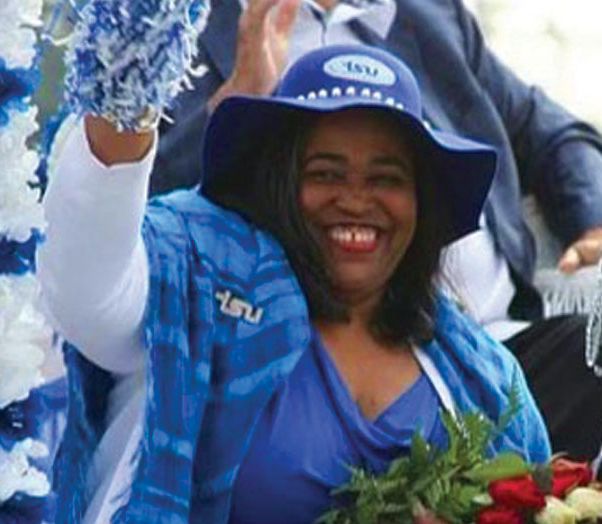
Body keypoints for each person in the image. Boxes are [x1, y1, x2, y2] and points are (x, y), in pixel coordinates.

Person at [39, 45, 549, 524]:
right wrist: (134, 68)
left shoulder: (479, 374)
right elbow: (88, 293)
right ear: (280, 183)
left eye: (387, 179)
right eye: (325, 173)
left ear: (420, 201)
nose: (355, 200)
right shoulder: (197, 279)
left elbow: (538, 497)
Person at [150, 0, 602, 460]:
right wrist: (237, 95)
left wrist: (593, 221)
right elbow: (135, 212)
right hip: (307, 364)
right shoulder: (173, 25)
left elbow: (548, 131)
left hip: (499, 348)